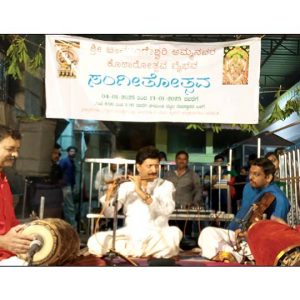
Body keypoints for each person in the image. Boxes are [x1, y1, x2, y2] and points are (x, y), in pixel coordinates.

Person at [87, 146, 182, 258]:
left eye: (156, 166)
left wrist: (140, 192)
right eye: (149, 166)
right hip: (132, 235)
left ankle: (131, 252)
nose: (154, 170)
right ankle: (144, 252)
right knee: (95, 241)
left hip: (157, 234)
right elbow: (109, 213)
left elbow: (167, 211)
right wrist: (110, 193)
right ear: (138, 167)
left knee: (174, 233)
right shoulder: (127, 186)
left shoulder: (166, 185)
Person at [198, 157, 290, 264]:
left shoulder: (279, 199)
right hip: (236, 236)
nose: (250, 177)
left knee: (257, 248)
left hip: (256, 243)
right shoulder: (248, 188)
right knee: (207, 232)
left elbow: (275, 234)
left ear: (268, 177)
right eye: (250, 173)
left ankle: (232, 255)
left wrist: (249, 234)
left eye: (256, 174)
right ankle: (233, 254)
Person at [0, 125, 33, 266]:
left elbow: (9, 223)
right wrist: (3, 242)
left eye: (17, 150)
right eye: (10, 149)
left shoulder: (4, 178)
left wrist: (29, 228)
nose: (15, 155)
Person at [59, 146, 78, 229]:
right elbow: (60, 172)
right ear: (68, 152)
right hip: (65, 185)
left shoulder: (71, 162)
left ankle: (69, 225)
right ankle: (72, 226)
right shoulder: (65, 161)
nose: (72, 153)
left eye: (74, 151)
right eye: (71, 151)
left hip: (69, 185)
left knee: (68, 207)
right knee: (69, 207)